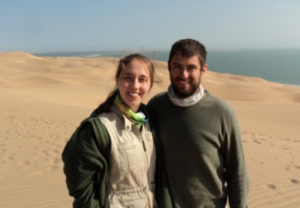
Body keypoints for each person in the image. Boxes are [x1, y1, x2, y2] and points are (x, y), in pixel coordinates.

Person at [148, 39, 249, 208]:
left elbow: (237, 172)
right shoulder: (155, 107)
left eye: (191, 68)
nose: (183, 74)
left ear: (203, 70)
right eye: (177, 66)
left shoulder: (223, 113)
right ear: (168, 67)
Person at [62, 54, 157, 208]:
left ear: (150, 85)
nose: (135, 85)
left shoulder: (150, 122)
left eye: (142, 79)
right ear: (117, 81)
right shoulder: (99, 128)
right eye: (128, 77)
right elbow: (79, 181)